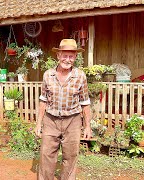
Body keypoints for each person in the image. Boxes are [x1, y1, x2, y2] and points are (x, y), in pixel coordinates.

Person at [35, 39, 92, 180]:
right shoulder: (48, 75)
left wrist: (87, 126)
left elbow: (85, 102)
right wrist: (38, 124)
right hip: (51, 120)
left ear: (75, 57)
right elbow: (43, 100)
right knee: (46, 155)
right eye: (65, 56)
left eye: (71, 56)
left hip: (72, 121)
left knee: (71, 156)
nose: (67, 59)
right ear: (58, 55)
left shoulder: (80, 76)